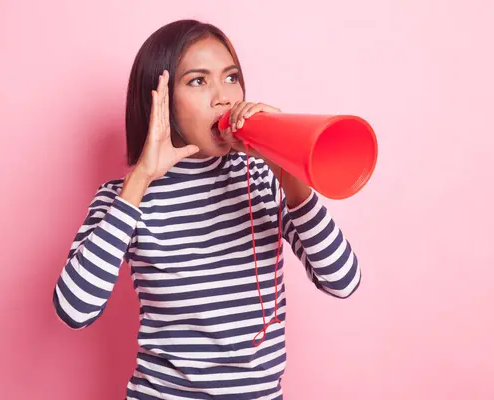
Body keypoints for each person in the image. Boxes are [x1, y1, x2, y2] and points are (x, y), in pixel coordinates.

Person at [53, 19, 361, 400]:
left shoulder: (262, 180)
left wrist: (286, 165)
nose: (223, 98)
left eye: (231, 77)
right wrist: (141, 179)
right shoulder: (124, 198)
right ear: (159, 99)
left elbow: (342, 280)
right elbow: (74, 309)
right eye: (198, 81)